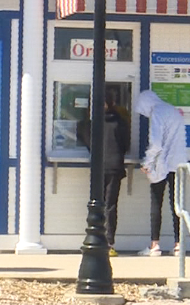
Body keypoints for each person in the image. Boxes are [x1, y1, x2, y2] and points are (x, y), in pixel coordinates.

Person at [77, 90, 131, 257]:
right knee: (110, 205)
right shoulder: (120, 122)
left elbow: (86, 141)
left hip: (98, 167)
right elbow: (126, 144)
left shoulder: (90, 123)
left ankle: (94, 238)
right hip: (114, 166)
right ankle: (109, 242)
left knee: (96, 204)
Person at [134, 89, 187, 257]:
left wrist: (147, 162)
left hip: (160, 165)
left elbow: (156, 143)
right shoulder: (173, 111)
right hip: (178, 163)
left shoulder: (157, 112)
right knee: (176, 205)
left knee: (156, 203)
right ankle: (178, 244)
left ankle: (154, 245)